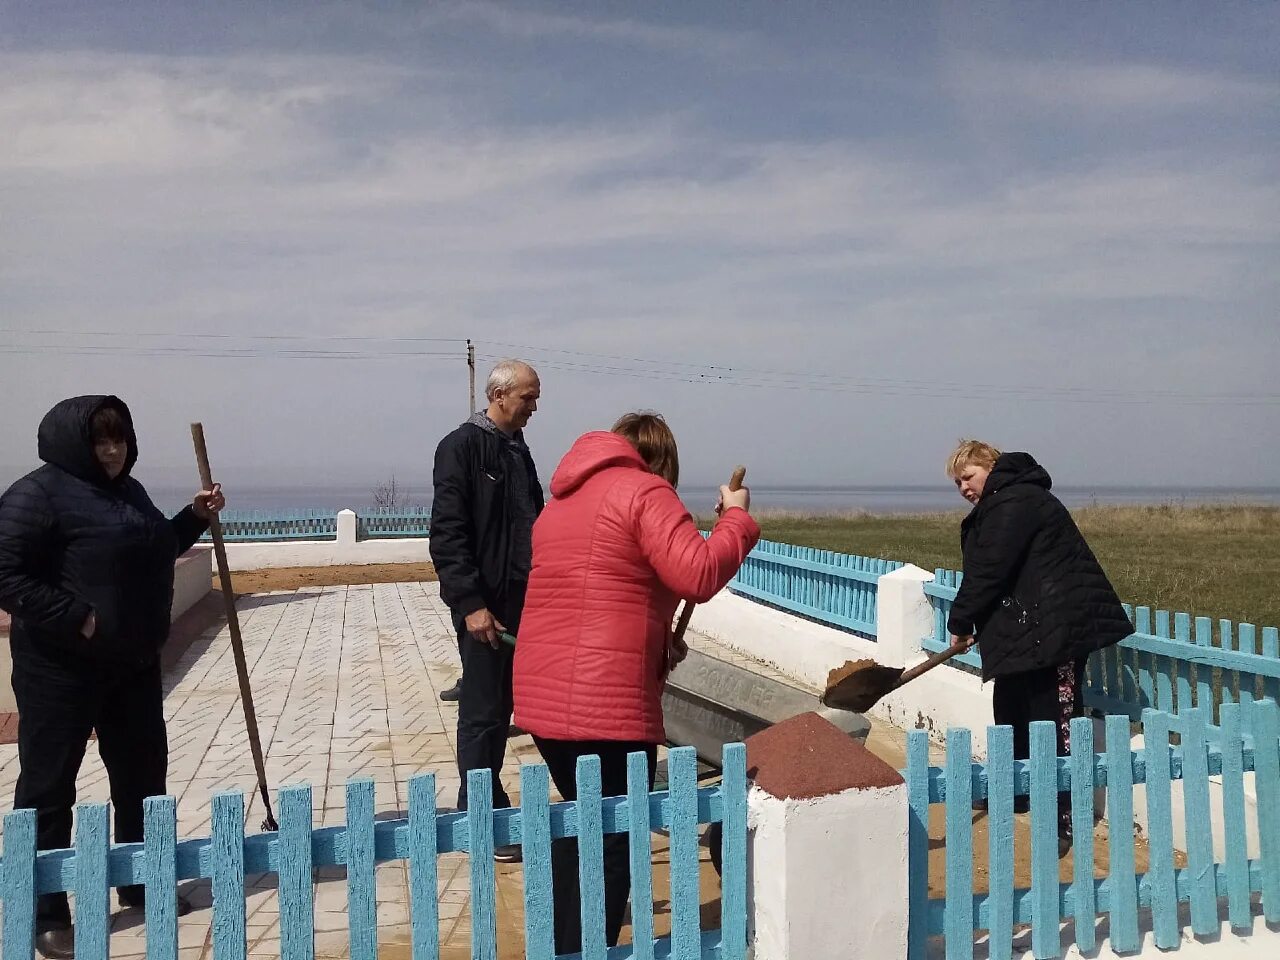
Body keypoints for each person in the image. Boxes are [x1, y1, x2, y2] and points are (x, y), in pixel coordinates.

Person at [513, 412, 759, 954]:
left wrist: (656, 637)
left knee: (582, 821)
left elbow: (603, 586)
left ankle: (564, 943)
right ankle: (588, 947)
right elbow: (697, 573)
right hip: (606, 701)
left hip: (543, 694)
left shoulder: (561, 504)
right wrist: (735, 522)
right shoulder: (646, 492)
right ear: (663, 460)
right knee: (614, 837)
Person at [0, 396, 224, 959]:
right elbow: (5, 574)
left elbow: (156, 550)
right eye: (101, 440)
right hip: (60, 670)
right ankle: (43, 910)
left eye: (119, 439)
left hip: (131, 665)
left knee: (142, 780)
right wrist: (75, 616)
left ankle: (139, 881)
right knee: (49, 789)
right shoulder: (36, 494)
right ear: (75, 443)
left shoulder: (130, 492)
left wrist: (193, 517)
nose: (112, 450)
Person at [945, 440, 1131, 855]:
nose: (962, 487)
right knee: (1011, 711)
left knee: (1053, 722)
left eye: (968, 476)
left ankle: (1064, 818)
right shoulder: (1003, 503)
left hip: (1056, 631)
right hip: (1025, 628)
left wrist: (960, 621)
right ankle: (1016, 791)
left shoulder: (1016, 501)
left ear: (990, 467)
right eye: (957, 482)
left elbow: (991, 568)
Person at [428, 359, 542, 862]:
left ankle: (482, 802)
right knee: (482, 711)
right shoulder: (461, 447)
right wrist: (470, 603)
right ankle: (480, 815)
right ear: (499, 395)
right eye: (528, 397)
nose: (534, 406)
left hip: (522, 600)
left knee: (503, 709)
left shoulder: (518, 451)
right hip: (485, 604)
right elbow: (448, 534)